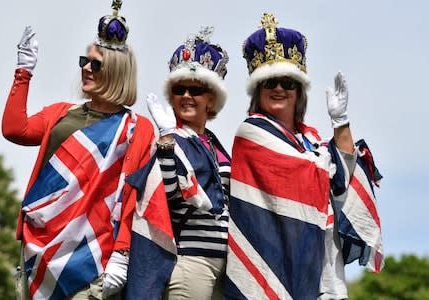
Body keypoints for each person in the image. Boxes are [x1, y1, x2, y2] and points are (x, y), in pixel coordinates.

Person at [2, 1, 156, 299]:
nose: (86, 67)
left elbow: (132, 197)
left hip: (91, 254)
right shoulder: (60, 112)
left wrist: (122, 253)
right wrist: (23, 72)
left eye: (96, 64)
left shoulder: (137, 127)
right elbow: (14, 129)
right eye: (85, 60)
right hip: (40, 246)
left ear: (115, 72)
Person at [225, 13, 384, 299]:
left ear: (299, 91)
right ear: (257, 90)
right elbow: (318, 174)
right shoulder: (251, 132)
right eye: (269, 82)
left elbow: (340, 182)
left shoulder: (310, 139)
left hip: (321, 263)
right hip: (273, 261)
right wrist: (333, 154)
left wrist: (341, 122)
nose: (278, 88)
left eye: (288, 82)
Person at [145, 26, 231, 300]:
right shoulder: (170, 138)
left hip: (225, 263)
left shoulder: (215, 143)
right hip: (190, 258)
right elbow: (168, 194)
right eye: (179, 89)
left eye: (196, 90)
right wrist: (166, 140)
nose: (186, 96)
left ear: (211, 99)